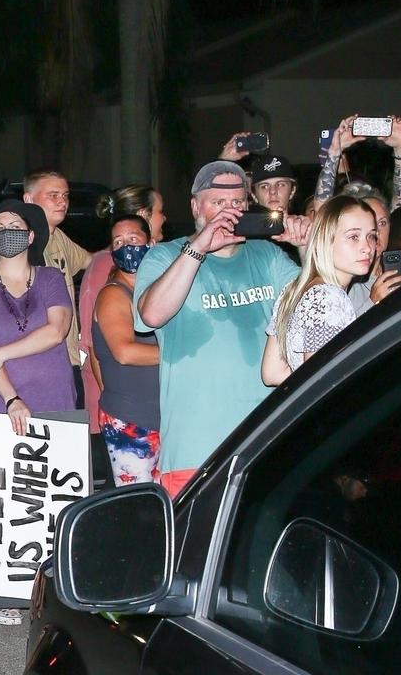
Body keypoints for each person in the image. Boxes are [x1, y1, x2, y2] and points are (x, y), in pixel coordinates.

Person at [134, 161, 309, 497]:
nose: (229, 213)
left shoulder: (266, 255)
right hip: (196, 454)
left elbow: (313, 306)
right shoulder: (165, 257)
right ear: (195, 206)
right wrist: (198, 248)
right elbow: (151, 315)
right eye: (217, 203)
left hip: (266, 445)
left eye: (238, 203)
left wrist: (303, 245)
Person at [0, 199, 72, 627]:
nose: (7, 230)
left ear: (30, 236)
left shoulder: (53, 279)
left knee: (47, 502)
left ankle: (50, 590)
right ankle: (2, 592)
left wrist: (4, 351)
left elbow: (56, 331)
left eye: (15, 225)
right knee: (3, 500)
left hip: (53, 400)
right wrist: (11, 400)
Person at [78, 185, 166, 487]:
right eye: (119, 242)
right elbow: (124, 352)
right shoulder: (113, 294)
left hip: (161, 415)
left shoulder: (158, 289)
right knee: (140, 505)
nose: (126, 246)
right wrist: (181, 354)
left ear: (150, 243)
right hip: (131, 419)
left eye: (133, 239)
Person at [262, 196, 378, 384]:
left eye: (371, 235)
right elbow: (322, 380)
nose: (367, 247)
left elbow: (272, 373)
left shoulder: (294, 289)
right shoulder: (328, 298)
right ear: (326, 239)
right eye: (353, 237)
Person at [22, 170, 92, 404]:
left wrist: (127, 245)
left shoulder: (58, 237)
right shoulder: (21, 244)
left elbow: (91, 261)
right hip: (38, 364)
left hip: (68, 360)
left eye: (65, 195)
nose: (62, 202)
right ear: (29, 200)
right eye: (53, 195)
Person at [339, 185, 401, 315]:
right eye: (370, 223)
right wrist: (373, 302)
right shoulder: (345, 283)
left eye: (382, 223)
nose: (377, 231)